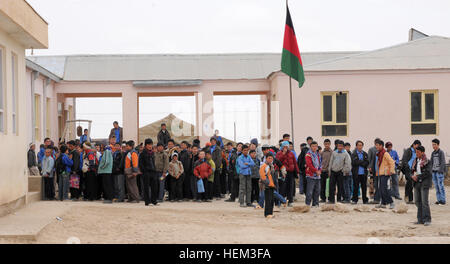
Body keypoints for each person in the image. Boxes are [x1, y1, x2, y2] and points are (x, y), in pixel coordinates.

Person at [412, 146, 432, 226]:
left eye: (418, 152)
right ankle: (420, 219)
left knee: (424, 202)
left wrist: (418, 177)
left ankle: (427, 219)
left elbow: (428, 172)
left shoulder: (427, 161)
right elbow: (413, 170)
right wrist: (412, 176)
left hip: (424, 183)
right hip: (417, 183)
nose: (416, 154)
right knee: (417, 201)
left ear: (422, 152)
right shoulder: (416, 161)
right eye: (416, 152)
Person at [374, 139, 396, 209]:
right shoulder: (379, 153)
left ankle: (391, 202)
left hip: (385, 173)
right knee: (380, 189)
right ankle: (383, 203)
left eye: (377, 145)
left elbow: (392, 162)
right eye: (375, 145)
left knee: (384, 189)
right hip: (381, 173)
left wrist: (391, 171)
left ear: (381, 145)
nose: (376, 147)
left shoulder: (385, 153)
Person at [276, 141, 299, 207]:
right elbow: (278, 161)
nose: (286, 148)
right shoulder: (279, 153)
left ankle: (290, 201)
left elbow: (295, 163)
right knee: (283, 187)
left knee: (290, 187)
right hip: (283, 172)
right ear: (282, 147)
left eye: (287, 147)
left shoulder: (291, 153)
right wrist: (283, 154)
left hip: (291, 172)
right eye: (284, 147)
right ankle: (281, 201)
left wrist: (297, 171)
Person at [400, 140, 421, 204]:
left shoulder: (416, 152)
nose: (418, 147)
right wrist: (407, 168)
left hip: (413, 170)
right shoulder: (408, 150)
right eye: (417, 146)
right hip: (407, 169)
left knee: (411, 184)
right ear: (414, 145)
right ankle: (407, 197)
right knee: (409, 182)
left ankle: (410, 199)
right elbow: (404, 160)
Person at [304, 141, 322, 207]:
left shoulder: (318, 154)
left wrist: (320, 170)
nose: (314, 147)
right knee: (310, 191)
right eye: (313, 146)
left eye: (315, 146)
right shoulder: (308, 154)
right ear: (310, 147)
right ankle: (307, 204)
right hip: (311, 175)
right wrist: (315, 171)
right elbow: (309, 164)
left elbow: (320, 163)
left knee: (317, 190)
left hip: (317, 175)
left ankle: (315, 204)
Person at [260, 153, 276, 218]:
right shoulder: (263, 166)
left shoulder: (272, 166)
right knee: (268, 200)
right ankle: (267, 214)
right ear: (266, 158)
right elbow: (262, 176)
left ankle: (270, 213)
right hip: (267, 185)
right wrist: (267, 183)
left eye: (271, 158)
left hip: (272, 185)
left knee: (271, 200)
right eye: (269, 158)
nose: (270, 159)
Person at [430, 139, 446, 205]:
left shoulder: (441, 152)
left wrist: (440, 170)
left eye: (434, 144)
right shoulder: (433, 153)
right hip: (434, 172)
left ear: (438, 145)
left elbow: (443, 162)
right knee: (436, 186)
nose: (433, 146)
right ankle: (438, 199)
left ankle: (443, 200)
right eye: (432, 144)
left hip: (439, 172)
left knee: (441, 186)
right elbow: (431, 162)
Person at [367, 138, 380, 204]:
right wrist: (369, 167)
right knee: (372, 183)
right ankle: (371, 195)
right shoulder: (371, 149)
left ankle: (377, 196)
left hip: (379, 169)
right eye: (376, 143)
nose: (377, 145)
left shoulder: (381, 150)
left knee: (378, 183)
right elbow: (369, 158)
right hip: (372, 169)